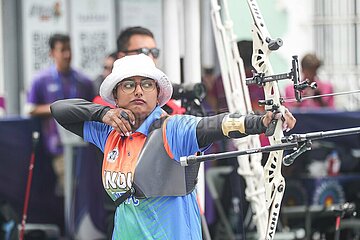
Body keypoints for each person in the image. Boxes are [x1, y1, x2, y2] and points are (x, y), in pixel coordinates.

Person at [50, 54, 296, 239]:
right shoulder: (110, 132)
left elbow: (214, 125)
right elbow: (60, 110)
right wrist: (102, 113)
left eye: (147, 84)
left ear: (158, 94)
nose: (138, 90)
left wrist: (260, 121)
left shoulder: (173, 129)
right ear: (116, 96)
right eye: (128, 84)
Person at [26, 33, 95, 195]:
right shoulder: (40, 80)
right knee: (68, 190)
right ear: (52, 53)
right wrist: (58, 109)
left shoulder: (83, 81)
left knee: (83, 191)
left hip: (84, 145)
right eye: (62, 50)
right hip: (57, 146)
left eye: (69, 49)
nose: (67, 54)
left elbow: (94, 108)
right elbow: (30, 109)